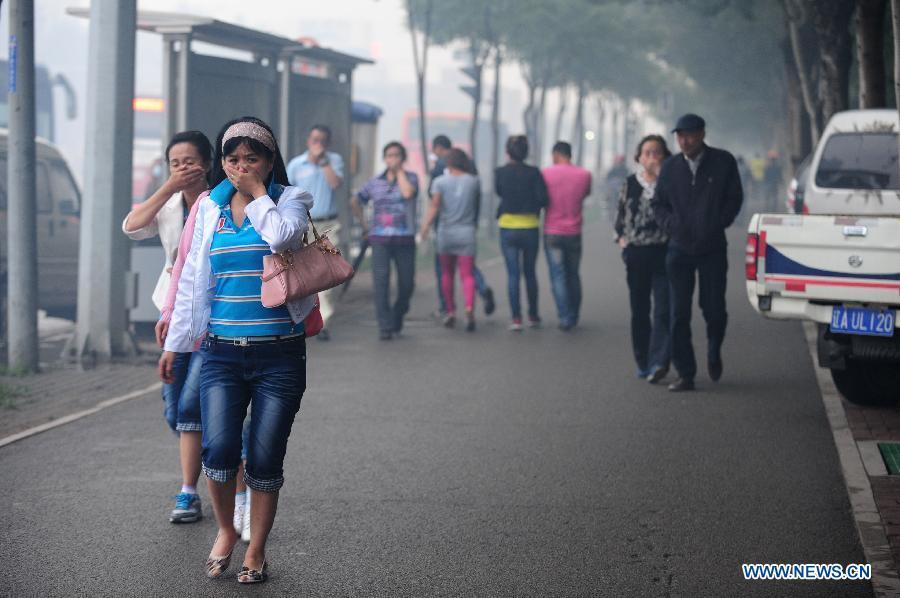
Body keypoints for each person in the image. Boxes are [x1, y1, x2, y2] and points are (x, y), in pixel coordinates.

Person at [159, 116, 315, 583]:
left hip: (279, 356)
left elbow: (281, 238)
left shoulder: (290, 200)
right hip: (221, 354)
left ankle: (257, 550)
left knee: (266, 458)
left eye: (252, 158)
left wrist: (258, 192)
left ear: (270, 161)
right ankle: (227, 530)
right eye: (233, 159)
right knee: (220, 448)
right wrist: (176, 345)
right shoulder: (210, 207)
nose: (241, 167)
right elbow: (191, 281)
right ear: (221, 163)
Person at [122, 130, 212, 524]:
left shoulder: (221, 203)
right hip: (172, 316)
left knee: (193, 405)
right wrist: (168, 187)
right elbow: (132, 226)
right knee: (175, 408)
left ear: (207, 163)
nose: (183, 168)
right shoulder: (170, 205)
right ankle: (221, 457)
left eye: (189, 161)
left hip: (213, 314)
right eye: (175, 163)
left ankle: (191, 491)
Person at [652, 114, 743, 392]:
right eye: (679, 136)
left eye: (689, 135)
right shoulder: (670, 167)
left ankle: (714, 348)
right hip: (678, 250)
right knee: (678, 313)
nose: (684, 141)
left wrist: (718, 222)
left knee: (713, 308)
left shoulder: (723, 161)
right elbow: (659, 204)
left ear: (702, 134)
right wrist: (672, 226)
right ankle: (686, 373)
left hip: (712, 247)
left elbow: (734, 198)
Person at [614, 135, 672, 382]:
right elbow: (620, 217)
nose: (651, 158)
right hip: (636, 254)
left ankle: (660, 360)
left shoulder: (671, 184)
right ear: (638, 157)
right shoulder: (630, 183)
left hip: (665, 253)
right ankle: (643, 360)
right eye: (646, 153)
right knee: (640, 310)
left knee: (663, 309)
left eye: (656, 152)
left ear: (665, 157)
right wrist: (622, 241)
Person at [352, 141, 419, 340]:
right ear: (384, 158)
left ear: (403, 158)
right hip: (380, 238)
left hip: (405, 238)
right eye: (389, 155)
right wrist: (365, 226)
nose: (393, 159)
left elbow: (407, 193)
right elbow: (356, 201)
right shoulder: (374, 182)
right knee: (381, 283)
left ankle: (398, 314)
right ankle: (385, 326)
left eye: (397, 155)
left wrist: (399, 173)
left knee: (407, 284)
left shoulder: (411, 178)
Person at [286, 124, 344, 341]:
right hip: (302, 224)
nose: (317, 144)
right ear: (308, 141)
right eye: (314, 140)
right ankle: (304, 318)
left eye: (321, 141)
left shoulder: (334, 160)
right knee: (303, 273)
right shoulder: (296, 164)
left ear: (327, 144)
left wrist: (323, 161)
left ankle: (324, 321)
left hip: (327, 224)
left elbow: (336, 183)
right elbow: (288, 193)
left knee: (327, 271)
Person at [429, 135, 495, 319]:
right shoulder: (470, 166)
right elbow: (477, 198)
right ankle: (480, 290)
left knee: (445, 271)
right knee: (467, 268)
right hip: (467, 227)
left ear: (439, 149)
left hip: (445, 228)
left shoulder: (440, 169)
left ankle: (447, 308)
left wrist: (426, 227)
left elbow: (433, 198)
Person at [420, 148, 480, 331]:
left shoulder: (440, 182)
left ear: (449, 163)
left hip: (446, 233)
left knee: (447, 274)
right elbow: (476, 205)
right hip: (467, 233)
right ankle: (469, 308)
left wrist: (425, 226)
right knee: (467, 275)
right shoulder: (474, 182)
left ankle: (451, 311)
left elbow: (435, 206)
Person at [494, 135, 548, 331]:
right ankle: (533, 315)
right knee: (530, 273)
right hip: (530, 228)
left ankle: (516, 318)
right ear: (526, 152)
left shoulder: (500, 172)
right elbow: (543, 198)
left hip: (507, 227)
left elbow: (499, 192)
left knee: (513, 274)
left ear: (508, 152)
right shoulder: (534, 173)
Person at [541, 141, 592, 331]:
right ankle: (574, 314)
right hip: (574, 232)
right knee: (573, 274)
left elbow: (542, 198)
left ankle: (565, 316)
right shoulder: (584, 175)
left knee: (558, 275)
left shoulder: (545, 174)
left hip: (552, 232)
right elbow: (585, 194)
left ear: (555, 154)